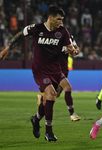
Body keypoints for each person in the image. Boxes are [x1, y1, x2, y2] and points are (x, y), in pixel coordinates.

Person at [0, 5, 77, 141]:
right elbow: (20, 34)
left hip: (56, 70)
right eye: (58, 19)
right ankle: (49, 132)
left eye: (62, 19)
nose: (61, 22)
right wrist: (7, 48)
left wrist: (73, 51)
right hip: (40, 70)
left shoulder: (63, 32)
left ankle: (35, 120)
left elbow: (71, 47)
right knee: (52, 95)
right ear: (50, 18)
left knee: (47, 100)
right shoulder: (37, 28)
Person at [36, 35, 81, 122]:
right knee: (67, 87)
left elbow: (77, 49)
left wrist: (74, 51)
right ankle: (72, 114)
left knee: (57, 94)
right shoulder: (52, 38)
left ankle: (41, 99)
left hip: (64, 68)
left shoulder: (69, 37)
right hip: (54, 69)